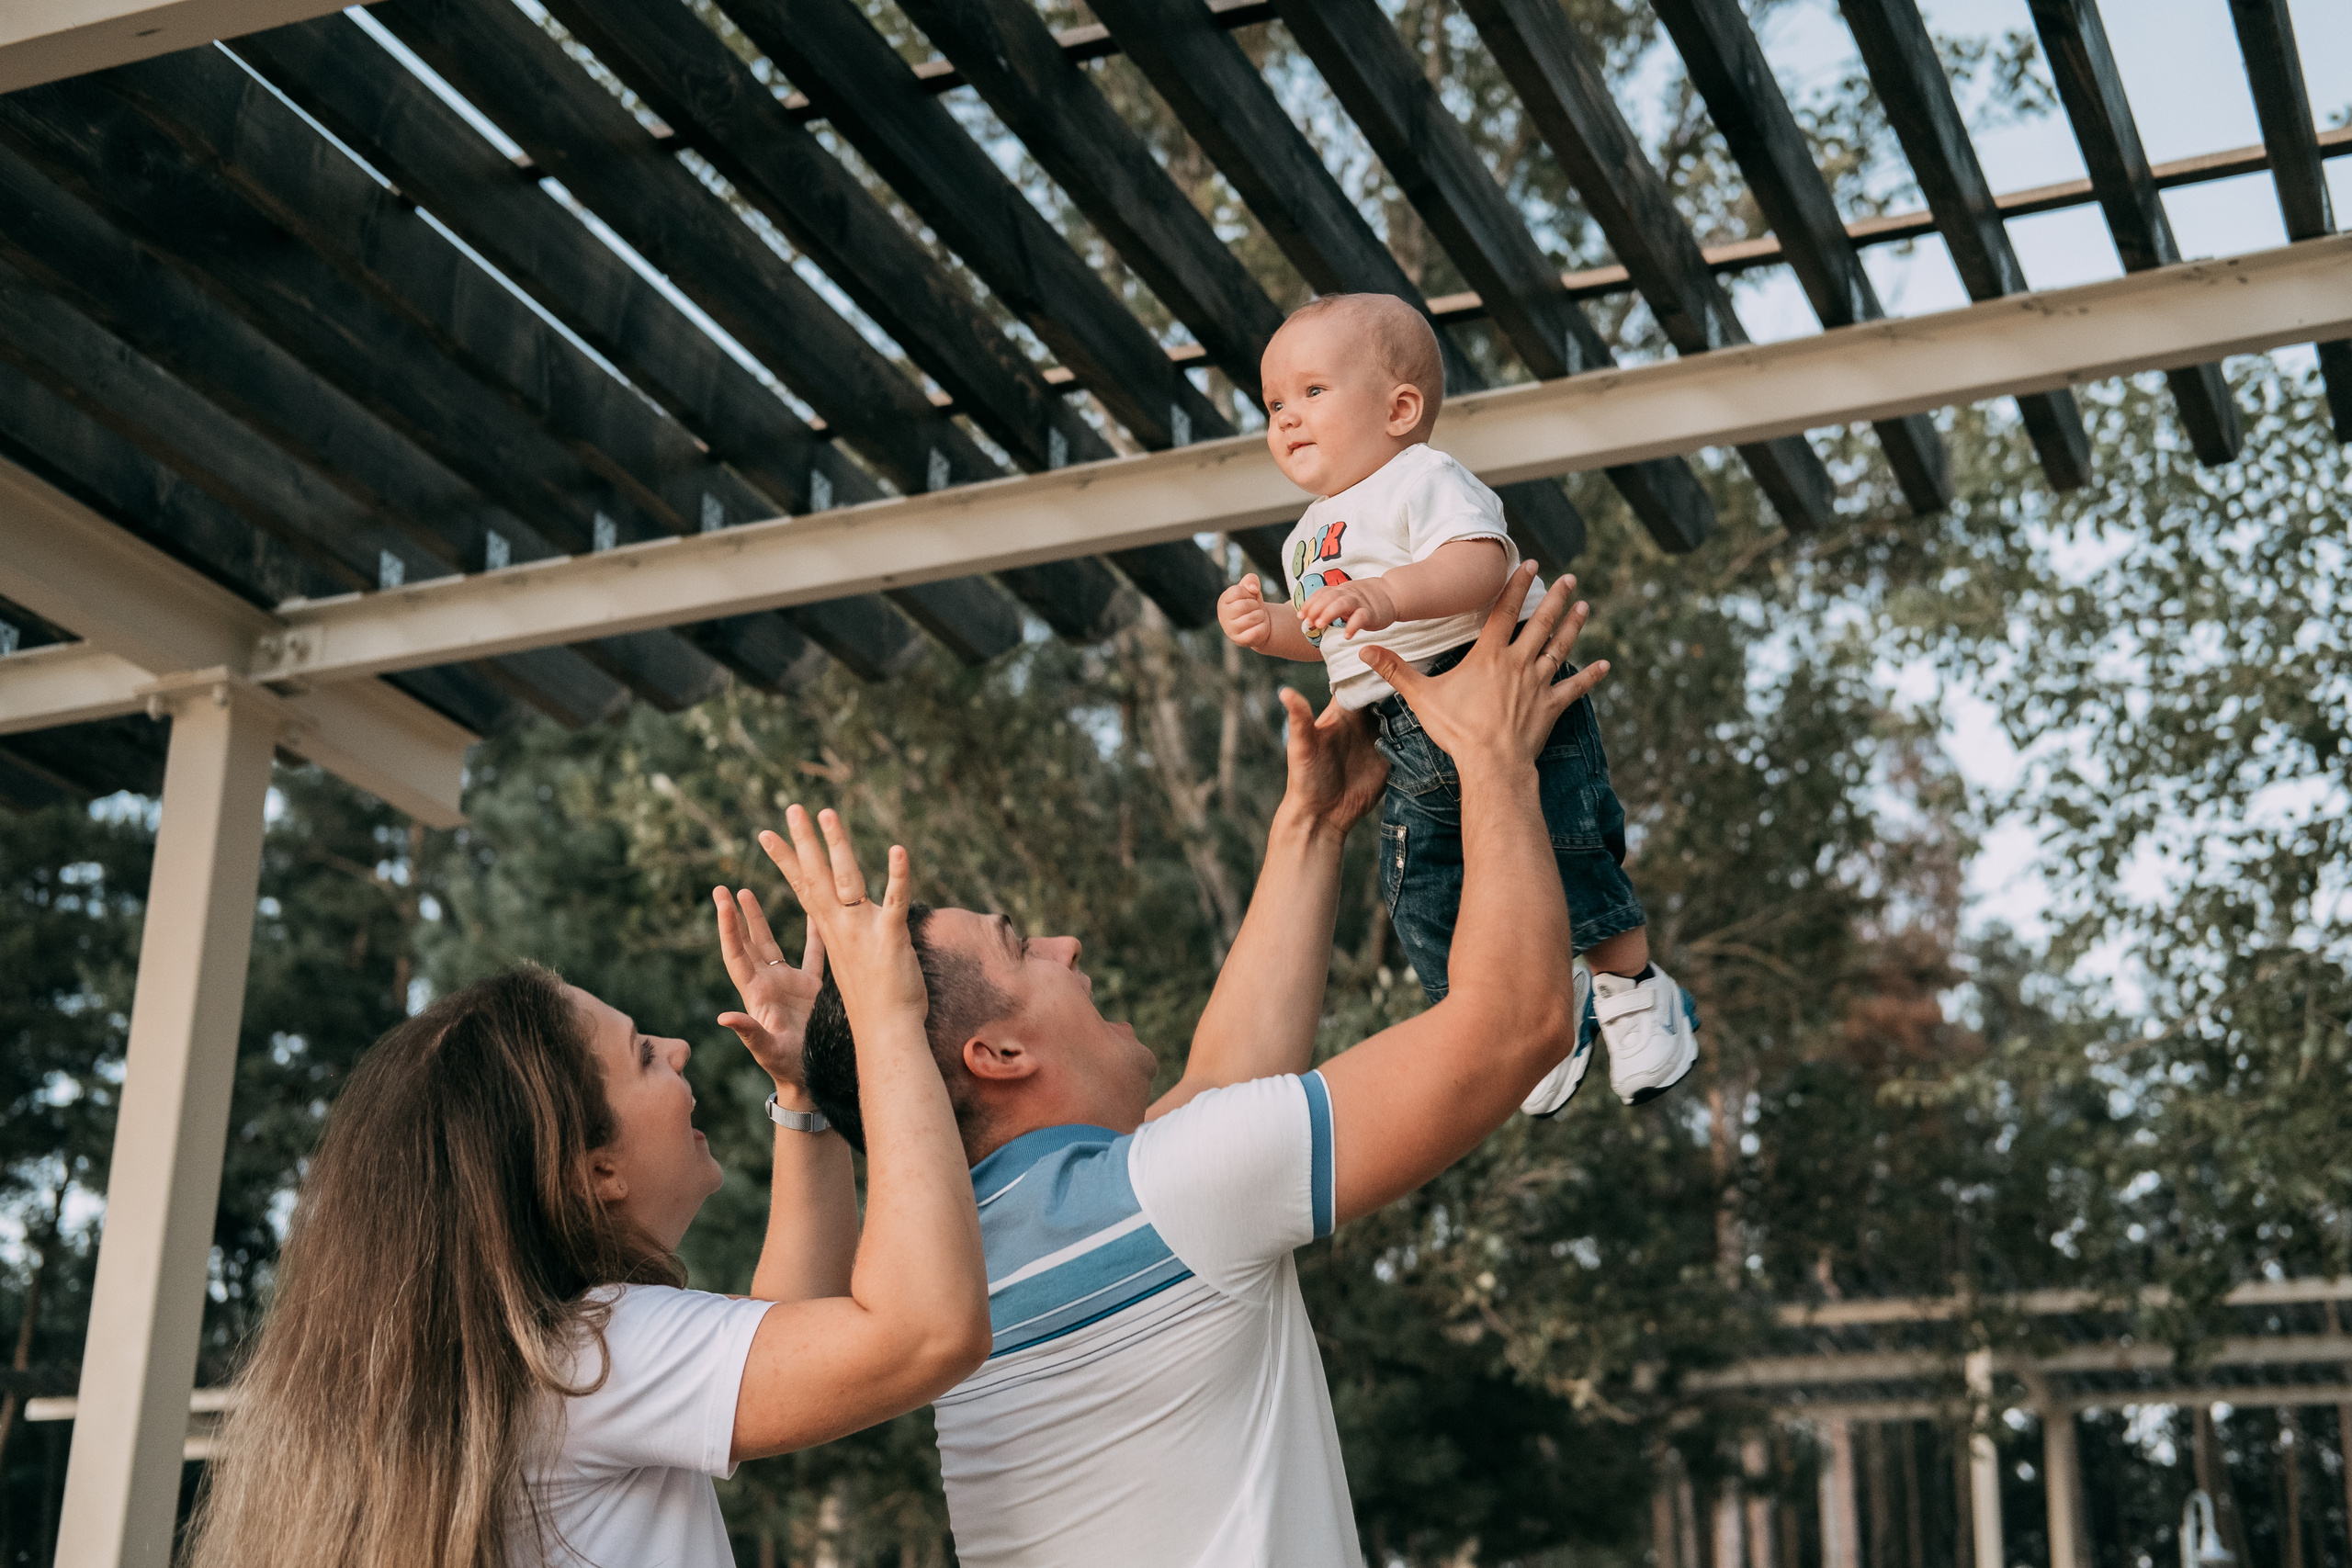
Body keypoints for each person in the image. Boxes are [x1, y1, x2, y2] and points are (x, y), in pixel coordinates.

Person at [795, 565, 1613, 1568]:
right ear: (997, 1055)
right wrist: (1493, 757)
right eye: (1020, 948)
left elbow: (1219, 1089)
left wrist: (1311, 823)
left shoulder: (964, 1261)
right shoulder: (1161, 1199)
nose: (1064, 949)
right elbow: (1516, 1026)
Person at [183, 808, 988, 1568]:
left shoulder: (531, 1367)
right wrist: (883, 1016)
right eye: (641, 1054)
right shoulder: (594, 1354)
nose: (678, 1047)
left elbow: (802, 1333)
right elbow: (924, 1332)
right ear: (593, 1169)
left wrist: (808, 1087)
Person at [1216, 291, 1698, 1111]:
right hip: (1402, 735)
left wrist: (1384, 595)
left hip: (1503, 686)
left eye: (1312, 392)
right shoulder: (1305, 534)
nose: (1287, 418)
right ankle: (1516, 1016)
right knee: (1422, 888)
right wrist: (1274, 629)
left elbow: (1479, 564)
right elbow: (1327, 626)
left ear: (1401, 408)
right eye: (1273, 405)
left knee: (1572, 844)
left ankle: (1633, 988)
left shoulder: (1421, 477)